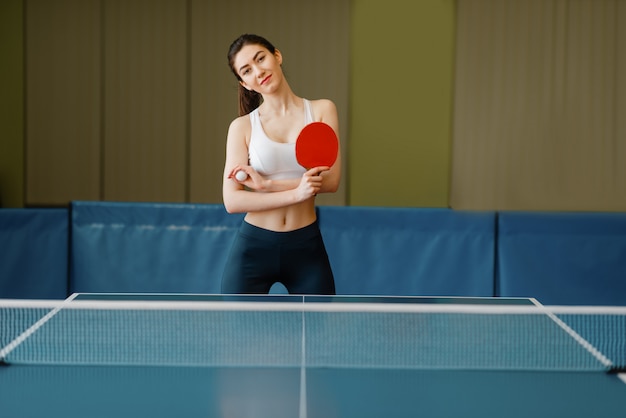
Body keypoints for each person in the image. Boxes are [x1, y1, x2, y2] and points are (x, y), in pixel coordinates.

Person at [221, 34, 341, 295]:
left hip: (306, 246)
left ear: (277, 56)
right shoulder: (241, 127)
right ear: (245, 83)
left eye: (260, 58)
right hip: (253, 246)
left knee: (318, 334)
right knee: (238, 336)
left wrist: (266, 185)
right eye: (247, 70)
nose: (258, 71)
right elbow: (233, 202)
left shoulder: (321, 111)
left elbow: (331, 182)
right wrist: (297, 193)